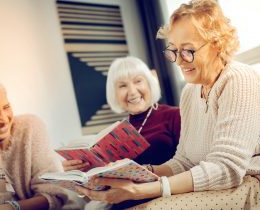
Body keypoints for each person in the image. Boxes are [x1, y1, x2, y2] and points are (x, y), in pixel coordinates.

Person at [74, 0, 260, 209]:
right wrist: (141, 172)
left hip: (250, 184)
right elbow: (184, 161)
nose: (179, 61)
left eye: (188, 50)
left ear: (217, 45)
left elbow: (228, 169)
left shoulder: (238, 78)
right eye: (174, 51)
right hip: (218, 186)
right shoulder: (190, 92)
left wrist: (142, 190)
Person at [63, 56, 181, 209]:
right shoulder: (113, 133)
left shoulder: (174, 115)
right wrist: (79, 174)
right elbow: (97, 193)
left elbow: (187, 165)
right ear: (115, 93)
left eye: (138, 81)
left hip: (161, 202)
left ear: (150, 84)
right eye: (123, 85)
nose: (132, 92)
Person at [0, 77, 79, 210]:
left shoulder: (30, 127)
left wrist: (14, 207)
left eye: (6, 107)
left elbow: (54, 195)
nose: (4, 119)